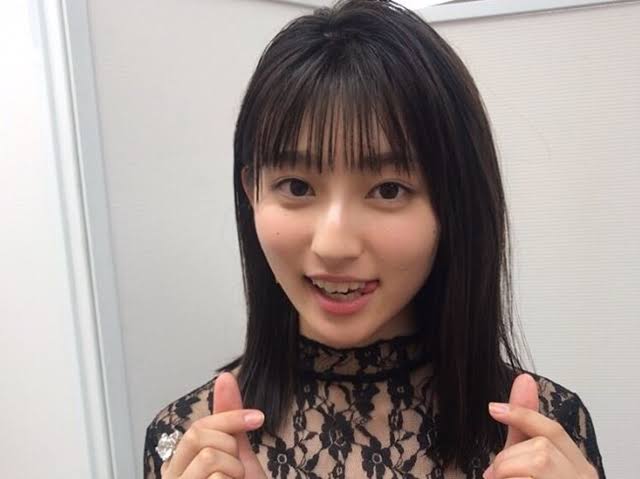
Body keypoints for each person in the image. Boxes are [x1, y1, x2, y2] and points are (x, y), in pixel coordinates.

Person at [143, 0, 606, 477]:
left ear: (454, 204)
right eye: (297, 187)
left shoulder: (548, 437)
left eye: (388, 190)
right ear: (251, 193)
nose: (333, 245)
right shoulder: (187, 447)